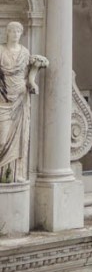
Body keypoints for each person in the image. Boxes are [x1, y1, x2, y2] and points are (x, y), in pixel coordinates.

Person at [0, 22, 48, 182]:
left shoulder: (25, 52)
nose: (15, 34)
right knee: (2, 141)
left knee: (19, 138)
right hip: (3, 100)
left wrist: (33, 81)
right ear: (7, 32)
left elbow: (28, 76)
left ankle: (13, 175)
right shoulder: (0, 50)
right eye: (12, 31)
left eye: (18, 31)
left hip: (20, 99)